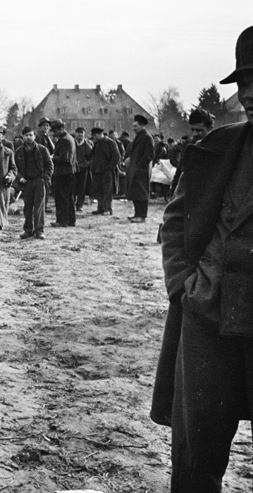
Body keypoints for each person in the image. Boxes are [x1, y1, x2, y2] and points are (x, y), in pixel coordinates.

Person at [151, 25, 253, 492]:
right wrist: (182, 285)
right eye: (244, 84)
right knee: (196, 456)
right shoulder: (216, 148)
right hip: (207, 317)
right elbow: (174, 222)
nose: (248, 95)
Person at [15, 126, 53, 240]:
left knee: (39, 207)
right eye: (26, 135)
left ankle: (39, 230)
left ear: (35, 136)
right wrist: (19, 177)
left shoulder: (42, 149)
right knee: (27, 208)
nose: (28, 137)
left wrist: (45, 178)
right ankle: (28, 230)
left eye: (31, 135)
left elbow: (49, 165)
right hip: (26, 182)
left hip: (39, 181)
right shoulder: (19, 151)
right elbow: (14, 168)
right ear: (23, 137)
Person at [125, 114, 155, 222]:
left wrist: (139, 166)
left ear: (142, 126)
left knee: (142, 193)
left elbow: (149, 155)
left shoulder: (147, 137)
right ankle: (137, 214)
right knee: (136, 193)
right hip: (136, 169)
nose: (133, 128)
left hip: (142, 170)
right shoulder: (139, 136)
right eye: (133, 126)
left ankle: (142, 215)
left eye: (136, 126)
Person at [50, 118, 77, 227]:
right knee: (68, 197)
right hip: (68, 172)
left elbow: (64, 158)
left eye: (55, 131)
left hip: (63, 173)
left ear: (61, 129)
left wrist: (51, 157)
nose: (54, 133)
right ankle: (71, 220)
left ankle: (62, 221)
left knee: (62, 197)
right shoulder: (69, 138)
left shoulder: (65, 140)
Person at [89, 127, 120, 216]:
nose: (94, 137)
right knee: (98, 190)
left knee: (107, 190)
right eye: (93, 136)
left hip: (107, 171)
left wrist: (109, 167)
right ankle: (100, 208)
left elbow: (116, 156)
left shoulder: (110, 143)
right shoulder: (97, 143)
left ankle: (107, 209)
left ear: (101, 134)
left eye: (95, 135)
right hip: (97, 171)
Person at [72, 127, 93, 211]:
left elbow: (92, 157)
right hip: (73, 168)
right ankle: (71, 204)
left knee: (82, 187)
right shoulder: (72, 143)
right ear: (75, 133)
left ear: (84, 134)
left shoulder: (88, 144)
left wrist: (87, 164)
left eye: (82, 133)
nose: (80, 134)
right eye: (78, 133)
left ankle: (79, 205)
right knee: (72, 187)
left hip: (83, 169)